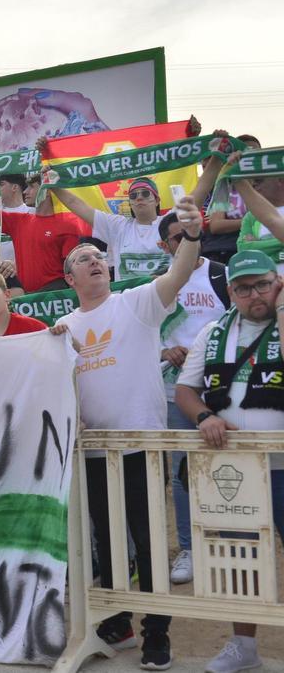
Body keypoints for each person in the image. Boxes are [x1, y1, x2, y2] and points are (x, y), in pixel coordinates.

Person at [54, 195, 205, 669]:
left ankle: (156, 632)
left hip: (140, 447)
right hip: (93, 453)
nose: (95, 261)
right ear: (70, 279)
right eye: (83, 259)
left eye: (99, 256)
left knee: (146, 541)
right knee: (107, 539)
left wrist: (194, 235)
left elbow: (179, 273)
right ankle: (118, 619)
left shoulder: (137, 303)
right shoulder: (62, 327)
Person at [172, 249, 284, 673]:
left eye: (262, 284)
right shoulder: (213, 331)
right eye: (242, 288)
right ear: (231, 292)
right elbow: (186, 390)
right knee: (241, 558)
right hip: (235, 469)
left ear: (277, 282)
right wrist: (204, 416)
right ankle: (244, 645)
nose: (254, 294)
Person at [154, 211, 231, 586]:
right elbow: (143, 337)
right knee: (183, 472)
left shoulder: (222, 274)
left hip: (222, 390)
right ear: (163, 245)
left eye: (187, 235)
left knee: (229, 466)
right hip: (174, 391)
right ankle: (189, 546)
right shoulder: (156, 285)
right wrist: (164, 351)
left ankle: (231, 541)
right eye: (174, 238)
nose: (182, 242)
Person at [0, 173, 90, 292]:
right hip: (26, 295)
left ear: (47, 191)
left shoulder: (67, 225)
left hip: (55, 292)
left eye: (32, 187)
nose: (25, 192)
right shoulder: (19, 220)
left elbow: (72, 266)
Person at [204, 134, 261, 265]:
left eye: (256, 152)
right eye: (246, 153)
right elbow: (216, 225)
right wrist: (251, 221)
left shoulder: (269, 184)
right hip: (228, 250)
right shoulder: (224, 185)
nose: (251, 157)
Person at [229, 151, 284, 275]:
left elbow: (253, 250)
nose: (254, 186)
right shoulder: (251, 216)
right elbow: (244, 250)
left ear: (280, 180)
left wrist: (260, 246)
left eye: (259, 181)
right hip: (266, 288)